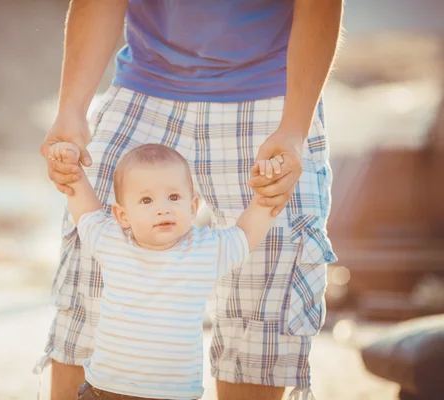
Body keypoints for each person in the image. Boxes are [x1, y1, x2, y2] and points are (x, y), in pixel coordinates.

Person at [35, 1, 342, 399]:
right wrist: (71, 110)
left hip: (272, 90)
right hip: (145, 86)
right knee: (86, 287)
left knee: (261, 311)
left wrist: (294, 131)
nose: (161, 209)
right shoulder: (105, 226)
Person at [47, 142, 281, 399]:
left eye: (173, 197)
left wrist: (266, 195)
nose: (163, 208)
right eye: (146, 200)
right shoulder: (111, 240)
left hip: (174, 394)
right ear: (123, 216)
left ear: (192, 208)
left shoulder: (204, 250)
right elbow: (84, 209)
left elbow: (246, 235)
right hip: (106, 389)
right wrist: (73, 172)